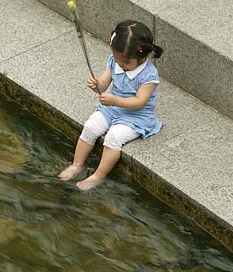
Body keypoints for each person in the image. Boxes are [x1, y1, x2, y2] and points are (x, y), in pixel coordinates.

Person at [59, 20, 164, 190]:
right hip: (112, 109)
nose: (120, 64)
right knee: (90, 127)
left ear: (143, 57)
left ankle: (98, 175)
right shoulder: (114, 61)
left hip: (136, 117)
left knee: (113, 138)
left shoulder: (148, 75)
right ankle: (77, 164)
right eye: (117, 59)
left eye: (126, 63)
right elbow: (103, 84)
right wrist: (96, 86)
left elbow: (139, 102)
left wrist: (115, 100)